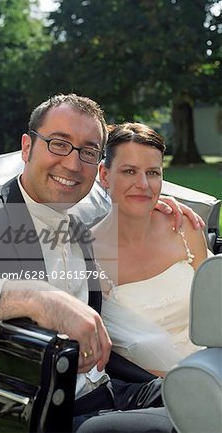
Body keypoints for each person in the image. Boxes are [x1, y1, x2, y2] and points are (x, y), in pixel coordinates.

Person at [0, 94, 204, 432]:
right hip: (49, 414)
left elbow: (127, 204)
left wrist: (151, 200)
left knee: (208, 396)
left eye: (87, 152)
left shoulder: (80, 230)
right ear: (27, 148)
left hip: (118, 391)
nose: (73, 165)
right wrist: (31, 296)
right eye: (59, 144)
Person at [92, 122, 209, 377]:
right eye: (129, 171)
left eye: (153, 173)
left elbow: (214, 304)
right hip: (157, 386)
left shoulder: (185, 228)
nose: (143, 184)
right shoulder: (91, 255)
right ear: (104, 175)